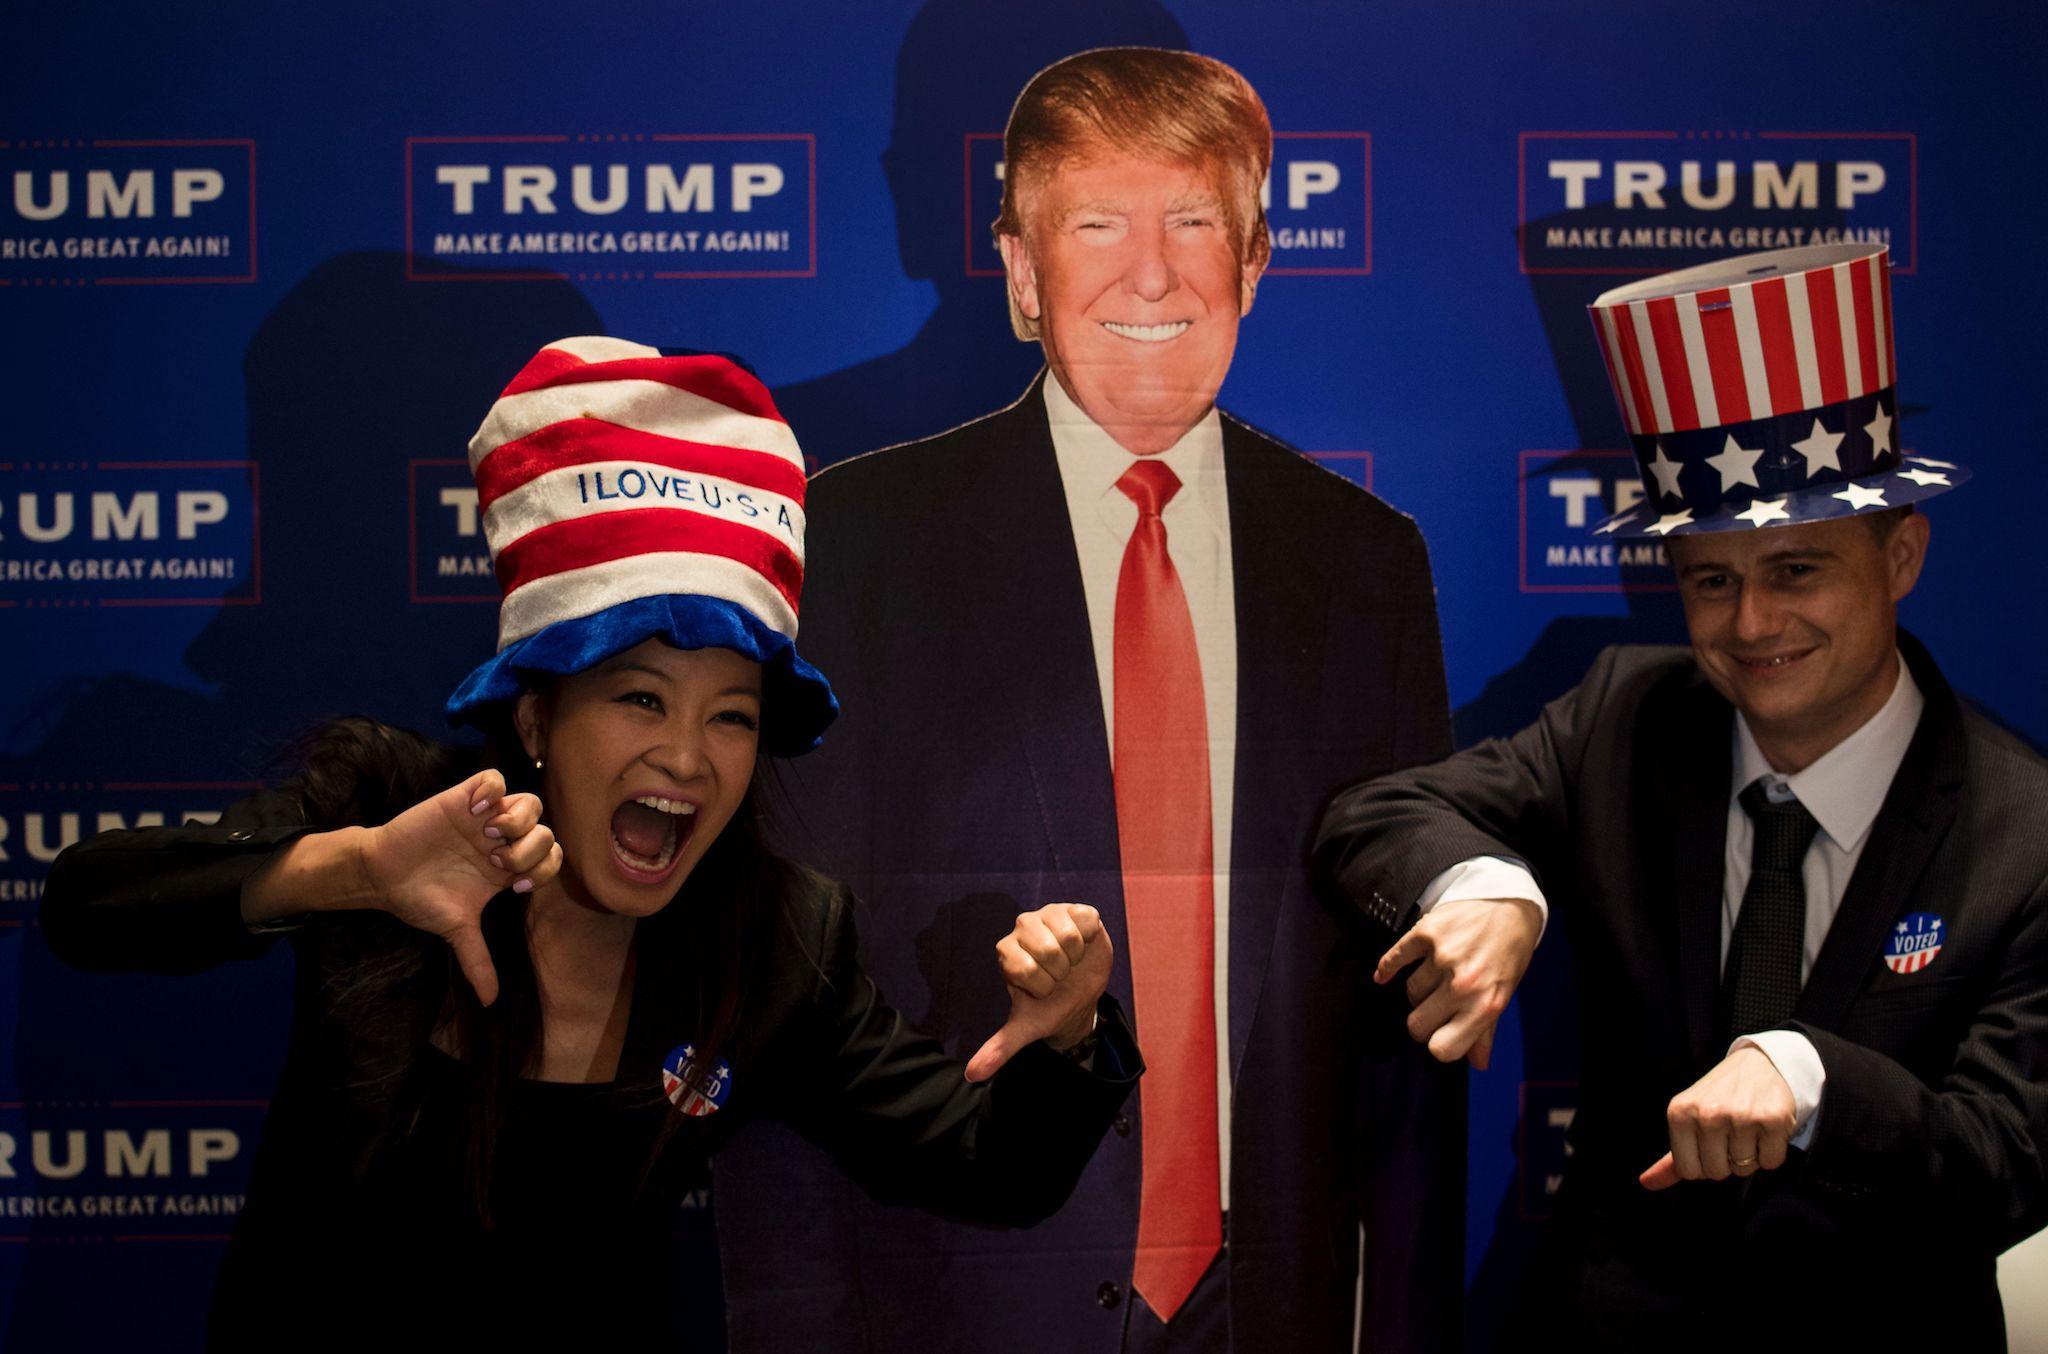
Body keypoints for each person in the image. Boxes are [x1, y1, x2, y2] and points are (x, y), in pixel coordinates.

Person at [41, 337, 1141, 1349]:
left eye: (732, 715)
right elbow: (89, 909)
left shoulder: (776, 936)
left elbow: (991, 1167)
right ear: (535, 716)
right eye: (639, 698)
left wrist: (1068, 1031)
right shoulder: (389, 802)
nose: (689, 757)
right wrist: (357, 871)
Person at [714, 47, 1461, 1354]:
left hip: (1274, 1311)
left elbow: (1411, 1017)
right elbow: (787, 1001)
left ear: (1256, 261)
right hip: (955, 1306)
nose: (1154, 274)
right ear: (1017, 271)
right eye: (1098, 225)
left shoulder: (1368, 566)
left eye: (1193, 224)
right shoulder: (859, 546)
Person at [1314, 243, 2047, 1346]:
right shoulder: (1627, 716)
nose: (1750, 623)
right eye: (1711, 579)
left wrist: (1803, 1077)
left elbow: (2008, 1158)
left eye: (1795, 569)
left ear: (1899, 555)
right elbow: (1368, 820)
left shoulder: (2029, 833)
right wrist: (1487, 888)